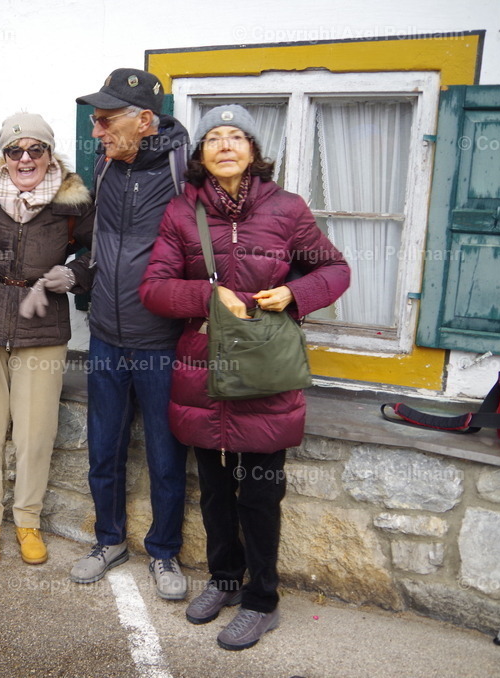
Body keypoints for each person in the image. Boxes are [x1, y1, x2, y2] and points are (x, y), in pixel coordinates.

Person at [139, 105, 350, 649]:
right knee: (212, 490)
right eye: (214, 138)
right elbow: (154, 288)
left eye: (237, 137)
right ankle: (225, 581)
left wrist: (296, 294)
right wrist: (207, 295)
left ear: (253, 151)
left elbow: (335, 269)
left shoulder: (287, 209)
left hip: (265, 376)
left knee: (259, 494)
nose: (226, 145)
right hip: (203, 373)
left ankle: (262, 599)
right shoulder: (182, 213)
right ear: (201, 155)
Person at [69, 68, 191, 600]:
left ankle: (164, 553)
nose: (96, 132)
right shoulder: (105, 168)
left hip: (162, 341)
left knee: (166, 455)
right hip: (104, 337)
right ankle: (109, 540)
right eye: (94, 121)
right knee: (104, 448)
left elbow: (247, 201)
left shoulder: (186, 168)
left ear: (145, 120)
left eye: (105, 121)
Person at [0, 113, 94, 566]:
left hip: (42, 329)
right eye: (14, 150)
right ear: (2, 157)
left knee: (36, 434)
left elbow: (102, 250)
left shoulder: (72, 202)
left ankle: (27, 521)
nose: (25, 158)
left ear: (49, 153)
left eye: (35, 149)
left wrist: (74, 273)